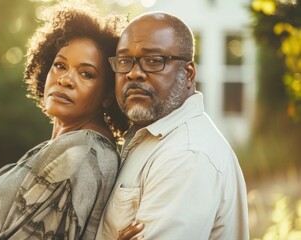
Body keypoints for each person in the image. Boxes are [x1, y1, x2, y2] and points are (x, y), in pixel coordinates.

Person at [0, 2, 129, 239]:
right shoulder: (70, 146)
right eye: (60, 65)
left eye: (86, 73)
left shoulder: (83, 154)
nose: (66, 79)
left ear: (108, 94)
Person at [97, 11, 249, 240]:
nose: (134, 73)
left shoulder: (187, 154)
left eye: (154, 60)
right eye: (125, 61)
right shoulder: (152, 138)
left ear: (188, 73)